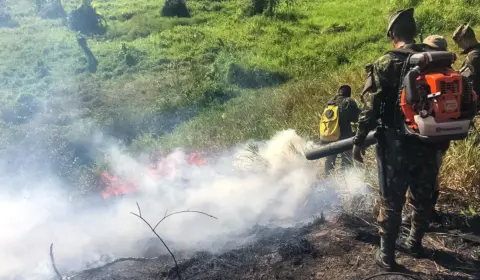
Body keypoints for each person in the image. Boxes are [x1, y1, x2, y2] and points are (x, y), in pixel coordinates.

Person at [352, 8, 438, 271]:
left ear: (392, 35)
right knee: (423, 196)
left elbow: (370, 107)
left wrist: (358, 141)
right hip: (429, 142)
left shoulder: (386, 62)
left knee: (391, 200)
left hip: (396, 145)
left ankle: (387, 257)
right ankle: (415, 242)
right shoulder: (433, 58)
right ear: (415, 31)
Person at [402, 35, 450, 225]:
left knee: (416, 175)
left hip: (421, 137)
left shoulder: (421, 77)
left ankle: (417, 216)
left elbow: (407, 104)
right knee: (434, 173)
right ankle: (429, 210)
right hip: (443, 138)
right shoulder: (452, 74)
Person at [320, 85, 360, 175]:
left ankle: (328, 180)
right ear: (349, 93)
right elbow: (355, 118)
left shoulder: (329, 102)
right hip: (344, 136)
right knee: (347, 158)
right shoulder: (349, 101)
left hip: (328, 135)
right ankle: (345, 178)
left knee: (330, 160)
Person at [453, 24, 480, 110]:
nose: (459, 46)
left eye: (459, 43)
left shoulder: (473, 56)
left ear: (464, 40)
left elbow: (472, 81)